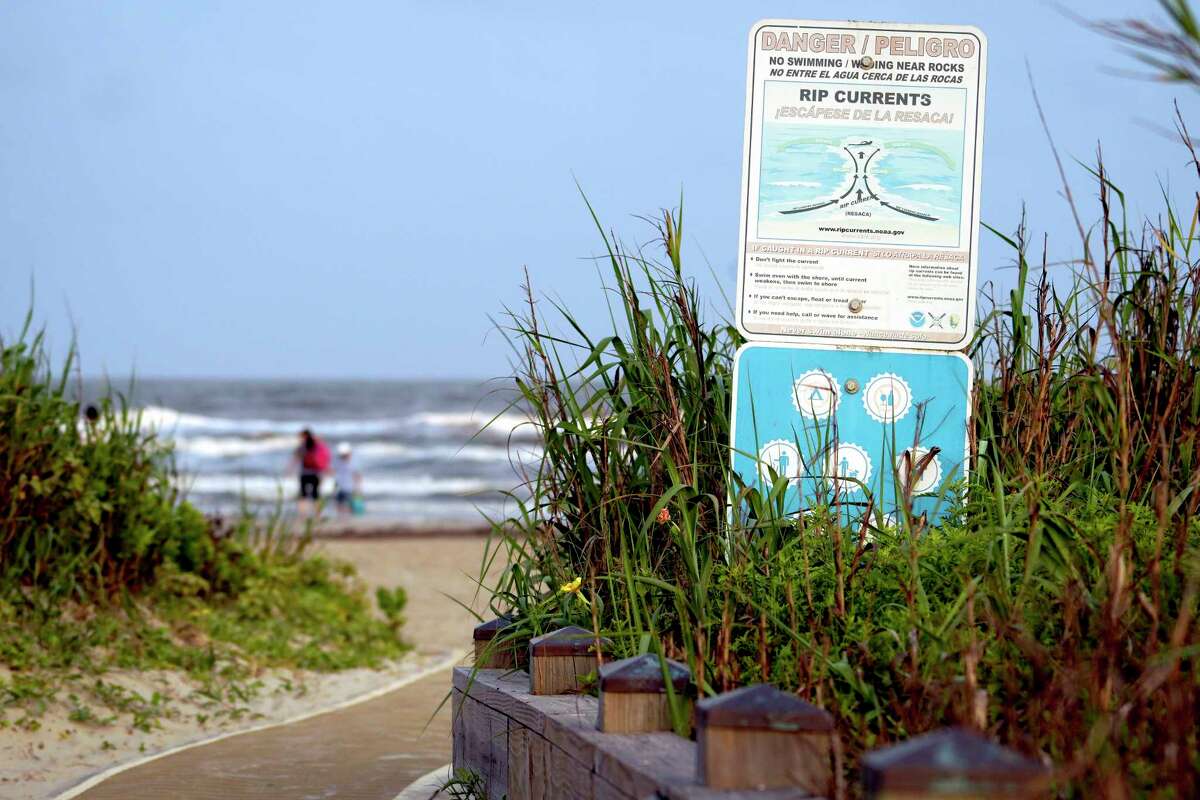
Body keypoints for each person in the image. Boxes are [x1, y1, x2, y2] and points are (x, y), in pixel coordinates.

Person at [291, 428, 330, 517]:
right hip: (316, 473)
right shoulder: (316, 445)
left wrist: (290, 469)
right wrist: (326, 470)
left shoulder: (302, 446)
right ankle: (318, 515)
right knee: (316, 495)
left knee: (303, 495)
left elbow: (296, 458)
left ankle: (302, 515)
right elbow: (324, 456)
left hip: (305, 473)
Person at [333, 442, 358, 517]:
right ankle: (341, 516)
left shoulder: (352, 463)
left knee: (348, 503)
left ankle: (347, 516)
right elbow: (333, 472)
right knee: (339, 502)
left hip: (348, 487)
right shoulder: (338, 462)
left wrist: (357, 487)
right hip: (339, 485)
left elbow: (356, 475)